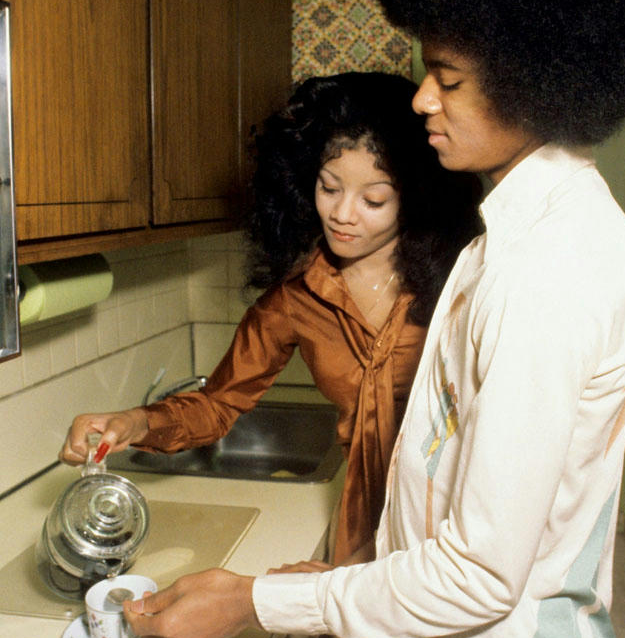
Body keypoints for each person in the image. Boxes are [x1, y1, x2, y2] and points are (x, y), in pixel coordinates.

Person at [120, 0, 625, 638]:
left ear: (531, 81)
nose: (421, 100)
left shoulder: (546, 273)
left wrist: (253, 600)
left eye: (447, 78)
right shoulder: (515, 238)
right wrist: (339, 580)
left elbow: (478, 576)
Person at [60, 71, 483, 570]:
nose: (343, 214)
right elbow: (218, 404)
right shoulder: (295, 298)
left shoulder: (464, 278)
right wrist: (135, 422)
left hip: (460, 518)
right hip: (365, 519)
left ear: (414, 197)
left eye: (373, 200)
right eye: (329, 188)